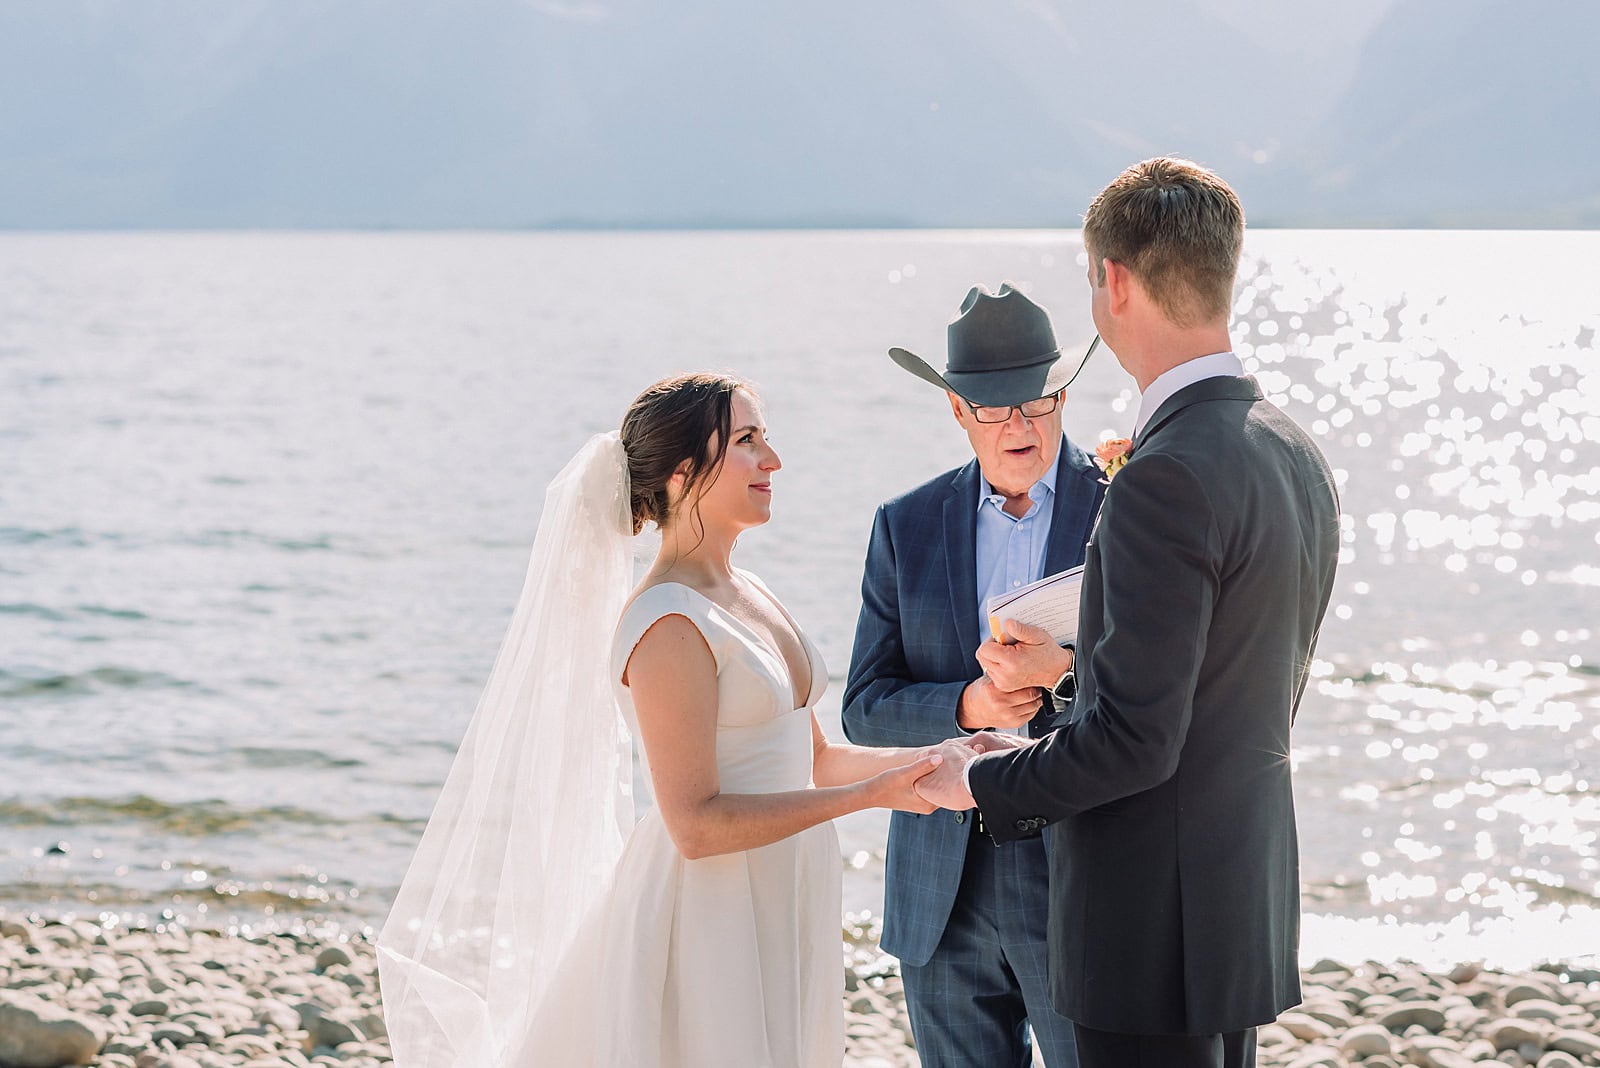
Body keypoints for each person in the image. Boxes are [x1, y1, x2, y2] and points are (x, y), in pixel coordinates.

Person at [378, 372, 958, 1068]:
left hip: (784, 884)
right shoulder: (668, 623)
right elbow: (692, 824)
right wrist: (870, 799)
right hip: (711, 914)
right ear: (683, 475)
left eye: (765, 438)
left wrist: (944, 754)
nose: (773, 460)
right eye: (747, 441)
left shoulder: (751, 590)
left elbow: (815, 761)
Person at [914, 158, 1342, 1068]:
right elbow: (1229, 679)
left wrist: (980, 779)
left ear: (1113, 281)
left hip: (1149, 932)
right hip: (1237, 909)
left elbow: (1137, 742)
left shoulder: (1164, 476)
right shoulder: (1290, 451)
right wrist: (1072, 676)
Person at [842, 283, 1106, 1067]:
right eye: (995, 407)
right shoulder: (906, 524)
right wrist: (972, 702)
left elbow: (1165, 683)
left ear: (1063, 396)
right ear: (958, 411)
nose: (1020, 423)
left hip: (1079, 875)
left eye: (1038, 399)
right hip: (941, 890)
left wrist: (1063, 678)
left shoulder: (1124, 507)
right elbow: (863, 707)